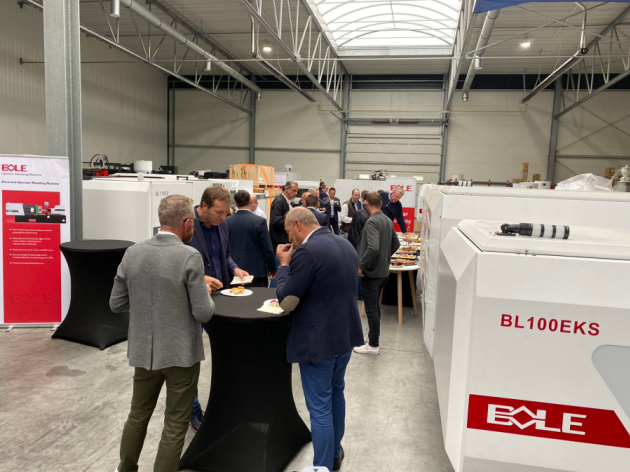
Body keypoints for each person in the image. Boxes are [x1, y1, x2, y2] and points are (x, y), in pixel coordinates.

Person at [110, 195, 214, 472]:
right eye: (193, 222)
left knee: (137, 415)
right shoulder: (189, 256)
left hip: (143, 352)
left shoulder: (133, 253)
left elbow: (116, 303)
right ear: (186, 222)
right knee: (176, 423)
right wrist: (204, 293)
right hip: (181, 354)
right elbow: (203, 312)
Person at [275, 208, 364, 472]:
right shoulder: (344, 244)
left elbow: (287, 301)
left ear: (298, 224)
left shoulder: (307, 252)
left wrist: (283, 266)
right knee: (336, 394)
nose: (289, 239)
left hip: (318, 342)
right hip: (345, 336)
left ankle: (322, 466)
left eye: (289, 232)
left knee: (320, 407)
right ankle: (334, 453)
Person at [188, 186, 249, 431]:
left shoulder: (222, 225)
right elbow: (176, 265)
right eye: (219, 213)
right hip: (192, 300)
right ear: (204, 206)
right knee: (191, 356)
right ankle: (192, 409)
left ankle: (227, 401)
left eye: (226, 213)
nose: (224, 218)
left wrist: (235, 269)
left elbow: (226, 255)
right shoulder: (187, 225)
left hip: (220, 297)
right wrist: (201, 279)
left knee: (227, 350)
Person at [354, 192, 400, 355]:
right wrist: (384, 257)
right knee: (375, 308)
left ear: (366, 203)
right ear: (381, 204)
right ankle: (372, 338)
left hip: (372, 274)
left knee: (371, 309)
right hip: (383, 273)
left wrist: (361, 265)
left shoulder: (372, 221)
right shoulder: (387, 220)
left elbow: (373, 247)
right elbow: (396, 243)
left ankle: (373, 345)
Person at [226, 190, 277, 288]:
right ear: (250, 202)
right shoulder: (259, 221)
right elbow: (267, 248)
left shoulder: (226, 221)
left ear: (236, 204)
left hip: (233, 271)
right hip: (256, 272)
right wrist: (272, 268)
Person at [270, 180, 299, 288]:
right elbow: (275, 221)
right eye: (294, 191)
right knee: (280, 270)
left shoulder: (287, 202)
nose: (296, 193)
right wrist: (292, 220)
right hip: (280, 242)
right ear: (286, 189)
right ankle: (273, 292)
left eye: (296, 191)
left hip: (284, 241)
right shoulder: (279, 201)